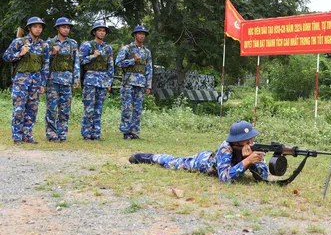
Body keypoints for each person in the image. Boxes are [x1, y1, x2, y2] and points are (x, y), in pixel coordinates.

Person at [129, 120, 269, 183]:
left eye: (251, 138)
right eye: (247, 139)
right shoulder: (226, 148)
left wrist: (253, 161)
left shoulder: (252, 147)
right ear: (237, 141)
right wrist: (246, 162)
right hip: (202, 163)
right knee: (174, 162)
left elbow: (264, 175)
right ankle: (150, 157)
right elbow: (225, 178)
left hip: (213, 159)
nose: (250, 142)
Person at [3, 17, 50, 144]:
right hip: (21, 81)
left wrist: (43, 83)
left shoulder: (44, 45)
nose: (38, 29)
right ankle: (17, 136)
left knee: (32, 109)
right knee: (19, 109)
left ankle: (27, 135)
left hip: (36, 81)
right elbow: (6, 56)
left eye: (40, 27)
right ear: (29, 28)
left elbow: (45, 65)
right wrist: (20, 54)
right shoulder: (19, 42)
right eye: (35, 26)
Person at [45, 17, 80, 142]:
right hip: (53, 80)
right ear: (58, 28)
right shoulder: (50, 43)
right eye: (64, 27)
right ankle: (51, 133)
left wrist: (76, 78)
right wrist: (52, 53)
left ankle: (62, 133)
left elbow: (76, 62)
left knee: (65, 108)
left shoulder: (73, 44)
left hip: (67, 80)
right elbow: (43, 61)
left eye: (68, 27)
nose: (66, 29)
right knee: (52, 108)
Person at [115, 25, 153, 139]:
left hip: (141, 83)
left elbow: (149, 69)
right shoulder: (127, 49)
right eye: (139, 33)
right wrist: (132, 60)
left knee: (138, 108)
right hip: (128, 82)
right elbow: (118, 63)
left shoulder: (147, 52)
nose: (141, 35)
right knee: (127, 107)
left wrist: (148, 85)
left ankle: (134, 131)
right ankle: (126, 132)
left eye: (143, 34)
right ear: (135, 35)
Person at [78, 21, 114, 141]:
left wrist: (109, 82)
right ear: (94, 32)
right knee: (89, 108)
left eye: (104, 31)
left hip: (103, 80)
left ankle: (96, 134)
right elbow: (80, 61)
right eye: (99, 30)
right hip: (90, 79)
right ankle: (86, 134)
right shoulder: (87, 46)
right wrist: (92, 56)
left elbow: (110, 66)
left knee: (98, 109)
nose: (102, 33)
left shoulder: (107, 48)